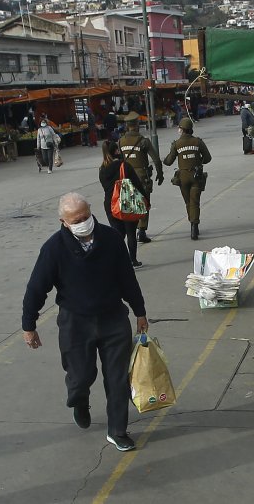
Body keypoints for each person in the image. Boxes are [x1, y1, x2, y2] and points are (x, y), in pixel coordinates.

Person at [21, 192, 148, 452]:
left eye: (86, 216)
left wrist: (140, 311)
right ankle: (79, 400)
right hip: (75, 323)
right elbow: (36, 288)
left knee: (117, 378)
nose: (83, 222)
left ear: (91, 211)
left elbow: (127, 278)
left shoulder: (112, 239)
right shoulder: (54, 248)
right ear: (63, 221)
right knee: (80, 376)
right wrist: (28, 325)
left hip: (113, 319)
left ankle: (117, 431)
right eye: (76, 220)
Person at [99, 141, 148, 268]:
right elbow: (138, 185)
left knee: (118, 234)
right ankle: (133, 261)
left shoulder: (102, 169)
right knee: (131, 233)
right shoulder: (124, 166)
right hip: (127, 202)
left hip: (111, 205)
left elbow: (105, 187)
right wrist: (146, 199)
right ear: (116, 151)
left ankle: (118, 261)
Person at [163, 118, 212, 240]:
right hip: (196, 176)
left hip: (183, 177)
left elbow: (168, 162)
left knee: (188, 202)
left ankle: (192, 222)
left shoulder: (177, 144)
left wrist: (167, 156)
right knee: (195, 201)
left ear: (182, 129)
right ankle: (194, 228)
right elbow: (208, 158)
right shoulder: (198, 142)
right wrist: (198, 161)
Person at [118, 112, 163, 243]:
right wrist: (160, 174)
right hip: (142, 177)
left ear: (127, 126)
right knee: (144, 203)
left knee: (129, 203)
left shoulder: (121, 141)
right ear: (137, 125)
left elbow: (119, 160)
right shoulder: (144, 141)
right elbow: (156, 159)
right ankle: (141, 230)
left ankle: (130, 230)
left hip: (126, 176)